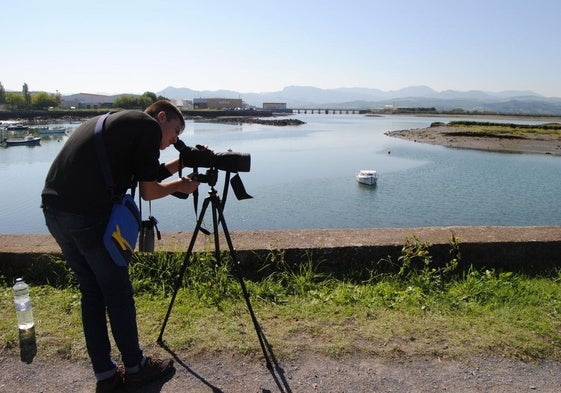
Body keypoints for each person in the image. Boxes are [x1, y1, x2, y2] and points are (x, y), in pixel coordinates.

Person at [41, 100, 200, 392]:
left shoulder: (121, 123)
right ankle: (136, 368)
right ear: (161, 117)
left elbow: (146, 174)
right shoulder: (148, 127)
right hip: (87, 216)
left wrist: (181, 162)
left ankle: (105, 374)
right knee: (117, 293)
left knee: (91, 293)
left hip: (54, 210)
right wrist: (181, 185)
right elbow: (149, 191)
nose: (174, 140)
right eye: (175, 131)